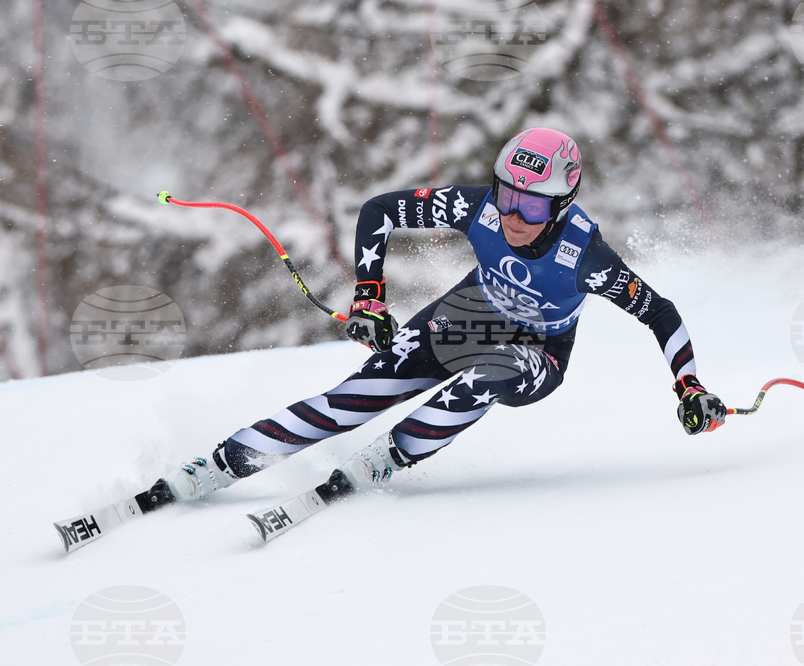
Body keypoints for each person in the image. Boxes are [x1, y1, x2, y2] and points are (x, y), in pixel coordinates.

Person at [134, 128, 727, 512]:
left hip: (538, 353)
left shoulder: (586, 257)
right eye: (507, 195)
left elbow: (661, 314)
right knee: (357, 394)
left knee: (489, 369)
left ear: (563, 203)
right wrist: (369, 296)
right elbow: (380, 211)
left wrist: (690, 384)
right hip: (467, 313)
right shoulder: (480, 207)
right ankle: (223, 461)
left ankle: (390, 455)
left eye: (532, 204)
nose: (514, 214)